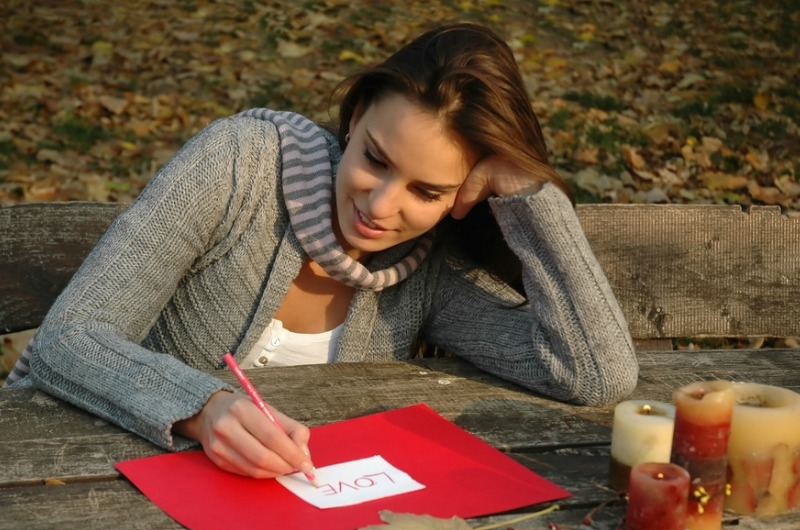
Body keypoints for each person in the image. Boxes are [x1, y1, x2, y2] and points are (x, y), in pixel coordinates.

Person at [5, 23, 638, 479]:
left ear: (463, 197)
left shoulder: (428, 267)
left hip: (297, 523)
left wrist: (532, 194)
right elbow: (71, 337)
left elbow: (594, 375)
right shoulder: (239, 167)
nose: (383, 206)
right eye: (374, 159)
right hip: (88, 480)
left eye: (427, 190)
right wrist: (201, 409)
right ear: (356, 115)